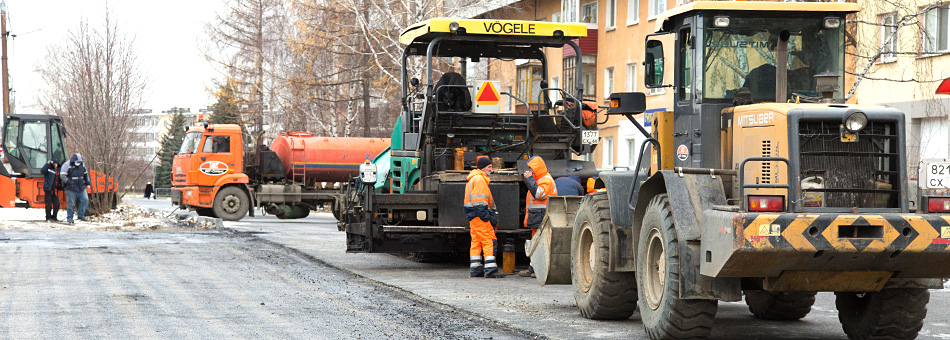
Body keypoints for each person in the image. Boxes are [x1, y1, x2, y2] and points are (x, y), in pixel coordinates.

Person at [464, 155, 504, 278]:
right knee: (489, 240)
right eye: (489, 167)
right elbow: (480, 201)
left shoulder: (473, 179)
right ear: (482, 168)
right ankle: (491, 269)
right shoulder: (480, 180)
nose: (491, 169)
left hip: (473, 217)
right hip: (480, 216)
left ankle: (475, 269)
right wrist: (486, 217)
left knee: (476, 242)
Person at [519, 156, 558, 277]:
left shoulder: (545, 180)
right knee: (536, 242)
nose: (530, 171)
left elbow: (538, 194)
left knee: (542, 243)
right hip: (538, 216)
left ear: (537, 168)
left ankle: (539, 270)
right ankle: (533, 268)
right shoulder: (540, 179)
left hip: (543, 216)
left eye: (531, 169)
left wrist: (529, 179)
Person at [61, 153, 90, 224]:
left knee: (85, 200)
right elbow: (62, 176)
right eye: (77, 162)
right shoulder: (67, 165)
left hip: (81, 186)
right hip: (70, 188)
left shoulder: (82, 165)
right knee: (71, 203)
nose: (78, 163)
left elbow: (86, 175)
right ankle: (70, 218)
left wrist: (87, 183)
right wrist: (69, 182)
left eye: (80, 162)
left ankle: (81, 215)